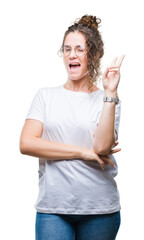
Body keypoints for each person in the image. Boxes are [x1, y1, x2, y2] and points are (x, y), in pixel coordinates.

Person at [20, 14, 125, 240]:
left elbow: (102, 146)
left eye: (79, 49)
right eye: (67, 49)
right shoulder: (45, 96)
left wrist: (110, 94)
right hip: (53, 209)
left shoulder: (106, 100)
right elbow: (27, 143)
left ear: (93, 55)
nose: (72, 55)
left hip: (100, 210)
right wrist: (82, 152)